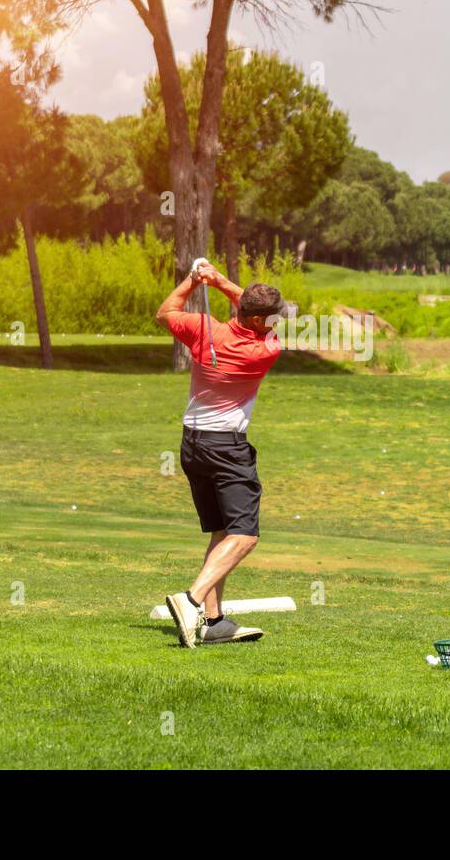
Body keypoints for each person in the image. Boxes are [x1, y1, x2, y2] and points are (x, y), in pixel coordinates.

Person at [155, 259, 285, 647]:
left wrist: (196, 280)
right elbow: (262, 319)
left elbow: (165, 313)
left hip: (192, 444)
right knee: (244, 536)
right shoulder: (267, 348)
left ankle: (213, 622)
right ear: (263, 321)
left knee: (222, 532)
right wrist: (223, 283)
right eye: (273, 317)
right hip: (227, 449)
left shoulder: (203, 331)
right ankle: (192, 601)